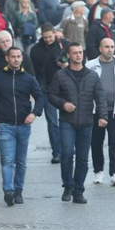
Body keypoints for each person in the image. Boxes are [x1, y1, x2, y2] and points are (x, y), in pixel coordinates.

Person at [47, 43, 108, 204]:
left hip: (87, 121)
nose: (78, 55)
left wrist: (103, 116)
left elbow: (100, 97)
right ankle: (68, 185)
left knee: (82, 158)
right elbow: (51, 95)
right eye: (75, 53)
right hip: (67, 120)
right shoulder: (60, 75)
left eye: (80, 52)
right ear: (69, 55)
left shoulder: (92, 75)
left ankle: (78, 190)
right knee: (67, 153)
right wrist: (63, 104)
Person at [0, 47, 45, 206]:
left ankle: (18, 190)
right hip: (5, 124)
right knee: (7, 160)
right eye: (13, 56)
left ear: (22, 59)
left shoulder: (28, 79)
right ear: (7, 58)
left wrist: (34, 113)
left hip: (23, 124)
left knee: (21, 161)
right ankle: (8, 190)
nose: (16, 59)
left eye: (18, 57)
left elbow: (40, 97)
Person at [86, 38, 115, 186]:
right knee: (96, 142)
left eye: (112, 46)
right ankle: (98, 171)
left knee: (114, 142)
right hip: (96, 111)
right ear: (100, 48)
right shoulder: (90, 66)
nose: (110, 49)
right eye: (106, 46)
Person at [29, 23, 67, 164]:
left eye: (50, 37)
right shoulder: (35, 50)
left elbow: (76, 60)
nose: (48, 40)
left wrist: (65, 64)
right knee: (52, 121)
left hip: (63, 87)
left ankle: (68, 148)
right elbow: (32, 71)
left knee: (67, 119)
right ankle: (57, 152)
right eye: (45, 37)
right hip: (45, 88)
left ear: (54, 33)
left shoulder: (63, 45)